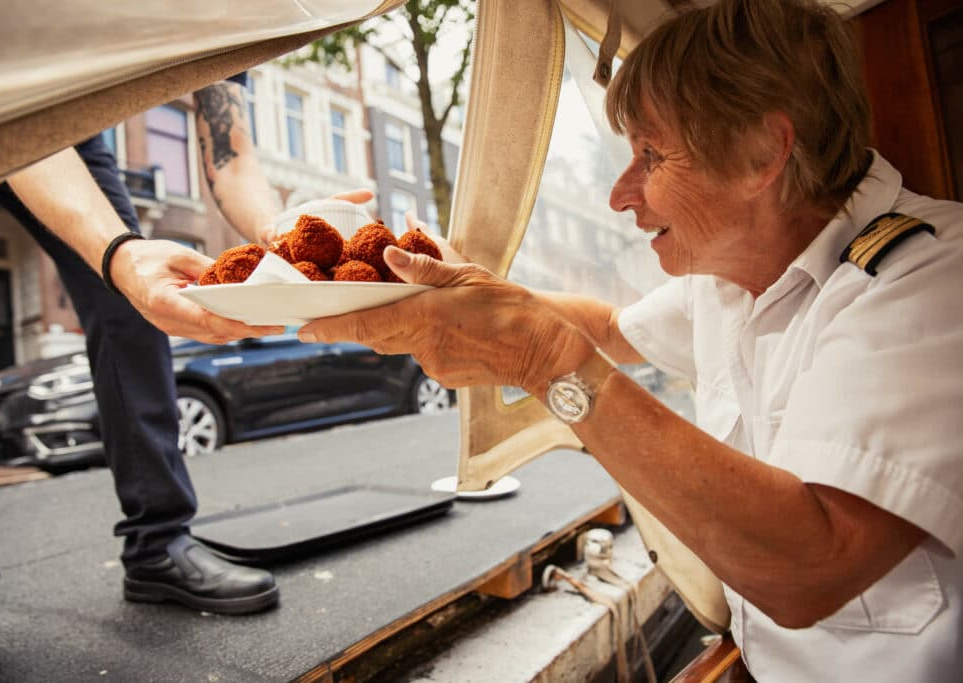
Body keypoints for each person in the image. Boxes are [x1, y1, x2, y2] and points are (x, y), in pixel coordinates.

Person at [295, 0, 963, 680]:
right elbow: (613, 329)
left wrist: (541, 360)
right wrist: (457, 296)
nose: (620, 194)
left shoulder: (932, 279)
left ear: (762, 152)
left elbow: (809, 566)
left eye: (650, 154)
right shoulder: (736, 271)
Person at [0, 75, 297, 683]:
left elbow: (230, 155)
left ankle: (159, 543)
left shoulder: (227, 13)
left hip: (67, 125)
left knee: (134, 312)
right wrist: (117, 254)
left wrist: (285, 238)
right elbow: (13, 93)